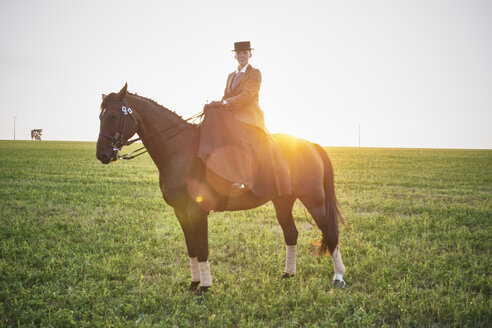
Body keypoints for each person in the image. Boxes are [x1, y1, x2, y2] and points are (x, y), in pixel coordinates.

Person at [198, 41, 291, 198]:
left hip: (248, 115)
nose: (241, 56)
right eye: (239, 53)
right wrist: (216, 105)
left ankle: (242, 179)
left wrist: (225, 103)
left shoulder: (255, 73)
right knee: (211, 118)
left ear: (250, 55)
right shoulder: (230, 76)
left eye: (244, 53)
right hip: (232, 113)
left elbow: (248, 95)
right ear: (235, 56)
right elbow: (226, 96)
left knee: (235, 133)